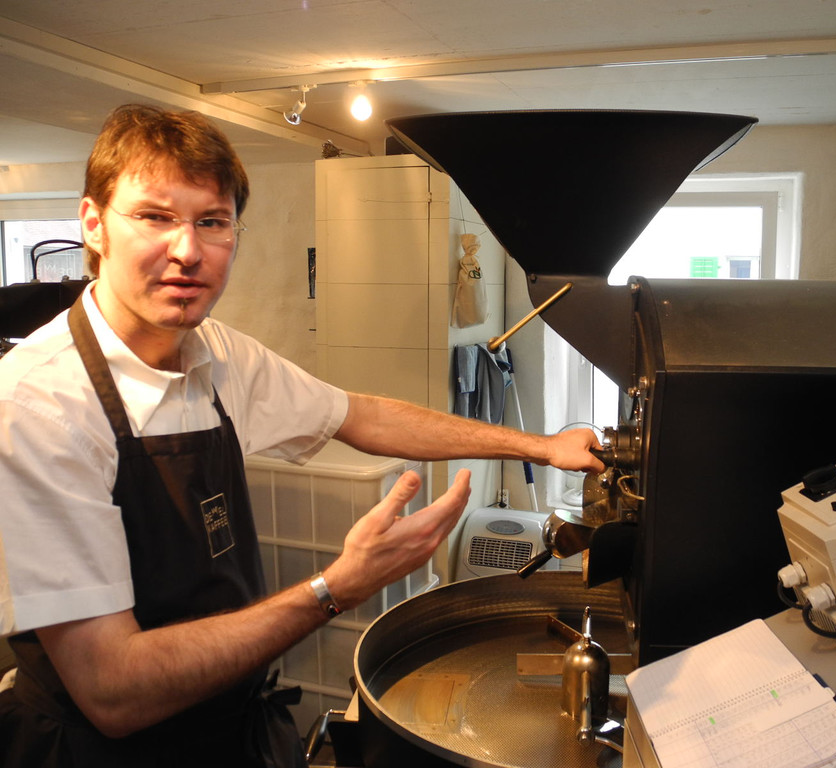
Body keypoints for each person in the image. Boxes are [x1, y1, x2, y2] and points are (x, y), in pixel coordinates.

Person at [0, 104, 604, 767]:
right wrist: (336, 587)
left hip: (228, 729)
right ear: (93, 224)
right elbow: (112, 690)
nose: (187, 251)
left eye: (212, 222)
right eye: (154, 216)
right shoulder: (41, 403)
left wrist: (542, 447)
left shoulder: (217, 354)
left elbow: (361, 415)